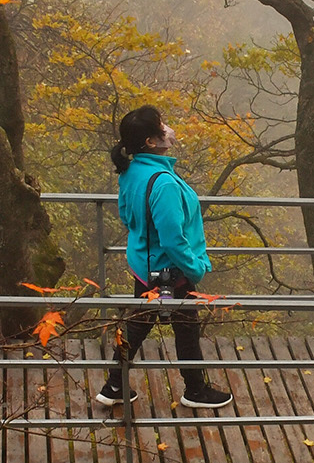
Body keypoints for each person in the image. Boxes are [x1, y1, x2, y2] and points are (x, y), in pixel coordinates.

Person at [97, 105, 234, 409]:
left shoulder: (132, 171)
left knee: (141, 322)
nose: (169, 129)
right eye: (162, 125)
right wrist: (195, 269)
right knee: (184, 326)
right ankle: (195, 391)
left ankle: (114, 385)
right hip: (169, 274)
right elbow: (173, 240)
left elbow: (126, 216)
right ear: (150, 141)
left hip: (145, 266)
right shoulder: (164, 183)